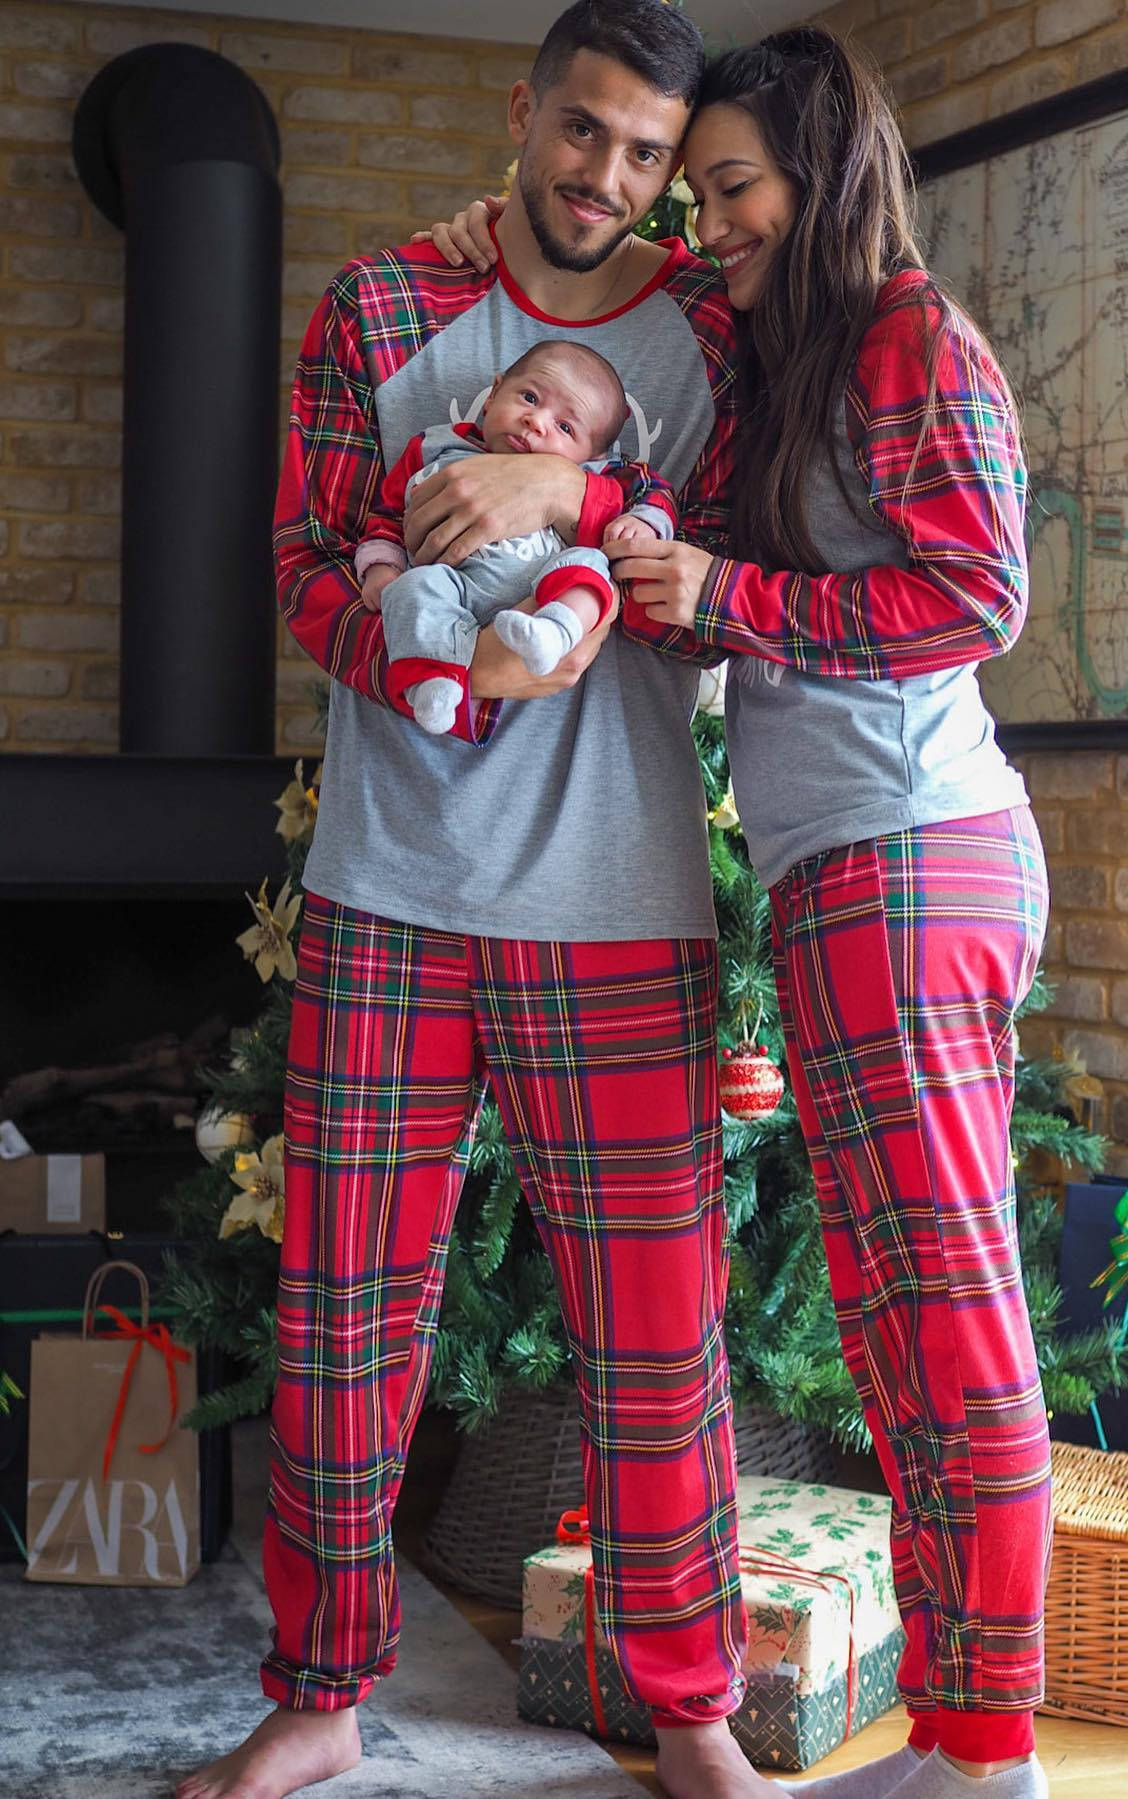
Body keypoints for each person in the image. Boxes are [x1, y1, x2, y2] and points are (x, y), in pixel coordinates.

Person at [428, 25, 1052, 1799]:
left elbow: (978, 591)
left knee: (944, 1318)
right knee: (900, 1317)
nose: (707, 224)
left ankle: (987, 1757)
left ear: (828, 168)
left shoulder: (910, 330)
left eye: (732, 188)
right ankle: (965, 1746)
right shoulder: (795, 357)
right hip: (847, 864)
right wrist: (682, 590)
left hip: (914, 853)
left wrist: (732, 588)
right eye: (690, 196)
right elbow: (784, 597)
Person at [175, 5, 771, 1798]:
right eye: (584, 132)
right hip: (392, 884)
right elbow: (300, 555)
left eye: (648, 152)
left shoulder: (711, 340)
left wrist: (569, 488)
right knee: (349, 1308)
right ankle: (323, 1689)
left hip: (623, 895)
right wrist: (439, 670)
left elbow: (727, 573)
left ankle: (690, 1714)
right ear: (524, 115)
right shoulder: (381, 307)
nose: (609, 177)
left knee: (657, 1328)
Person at [358, 339, 674, 730]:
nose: (536, 421)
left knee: (590, 567)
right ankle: (434, 683)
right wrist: (381, 565)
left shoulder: (597, 477)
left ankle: (553, 631)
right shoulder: (434, 449)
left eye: (565, 426)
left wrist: (645, 521)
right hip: (455, 587)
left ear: (594, 457)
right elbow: (389, 513)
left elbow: (653, 491)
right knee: (412, 590)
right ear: (493, 395)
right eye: (528, 397)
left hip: (541, 590)